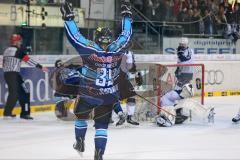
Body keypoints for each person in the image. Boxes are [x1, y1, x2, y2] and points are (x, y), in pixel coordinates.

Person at [60, 1, 132, 159]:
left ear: (96, 38)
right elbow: (126, 35)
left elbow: (75, 37)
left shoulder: (89, 49)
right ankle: (99, 154)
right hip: (107, 96)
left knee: (80, 118)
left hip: (87, 94)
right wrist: (127, 16)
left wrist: (69, 18)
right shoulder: (119, 49)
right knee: (101, 127)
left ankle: (80, 141)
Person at [2, 34, 48, 120]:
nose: (20, 43)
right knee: (15, 93)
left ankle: (18, 113)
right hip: (13, 74)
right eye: (19, 41)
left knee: (22, 92)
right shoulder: (18, 51)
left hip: (9, 74)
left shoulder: (6, 50)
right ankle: (12, 114)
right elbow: (28, 60)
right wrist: (41, 67)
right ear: (16, 42)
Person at [114, 50, 140, 126]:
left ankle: (129, 117)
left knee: (131, 96)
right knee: (112, 97)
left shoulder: (128, 52)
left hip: (123, 78)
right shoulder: (112, 50)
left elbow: (132, 68)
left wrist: (136, 75)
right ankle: (120, 115)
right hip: (111, 79)